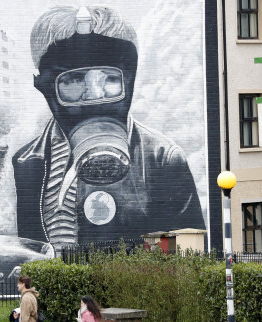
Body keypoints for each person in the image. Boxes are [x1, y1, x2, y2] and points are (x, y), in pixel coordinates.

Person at [12, 5, 204, 251]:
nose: (95, 96)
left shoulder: (162, 159)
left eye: (110, 79)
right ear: (43, 87)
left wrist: (121, 262)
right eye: (73, 80)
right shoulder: (27, 162)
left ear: (130, 80)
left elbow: (189, 251)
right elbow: (28, 252)